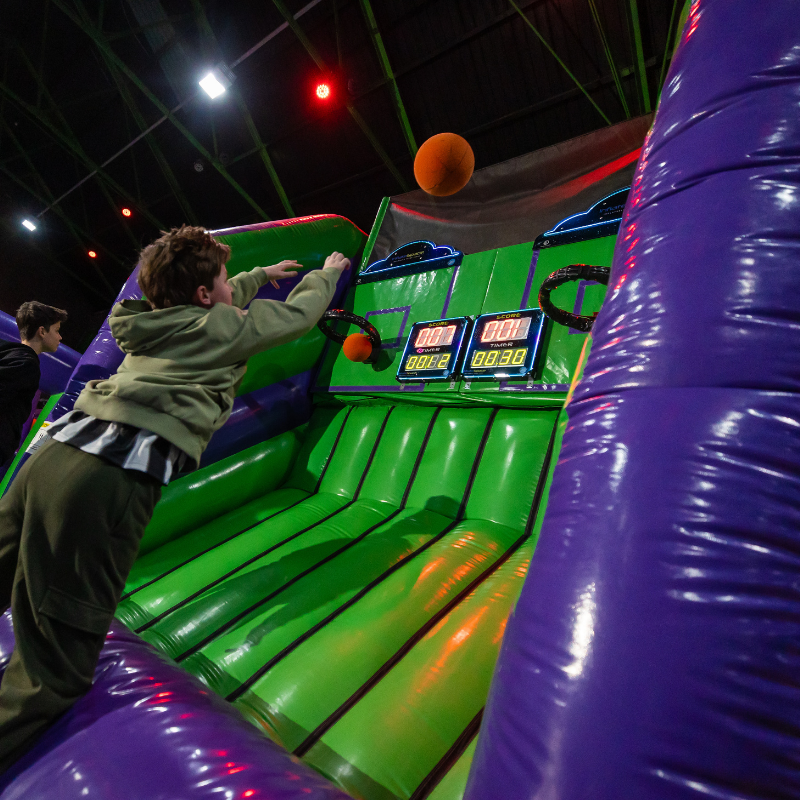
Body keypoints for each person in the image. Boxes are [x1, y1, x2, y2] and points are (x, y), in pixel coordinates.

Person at [0, 225, 350, 771]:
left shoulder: (148, 321)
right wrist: (325, 275)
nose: (233, 290)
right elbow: (296, 317)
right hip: (106, 477)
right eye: (226, 283)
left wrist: (259, 275)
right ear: (205, 294)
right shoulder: (220, 325)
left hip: (52, 456)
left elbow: (210, 305)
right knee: (53, 670)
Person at [0, 303, 67, 467]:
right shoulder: (27, 364)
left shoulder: (9, 353)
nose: (60, 337)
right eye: (57, 330)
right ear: (42, 331)